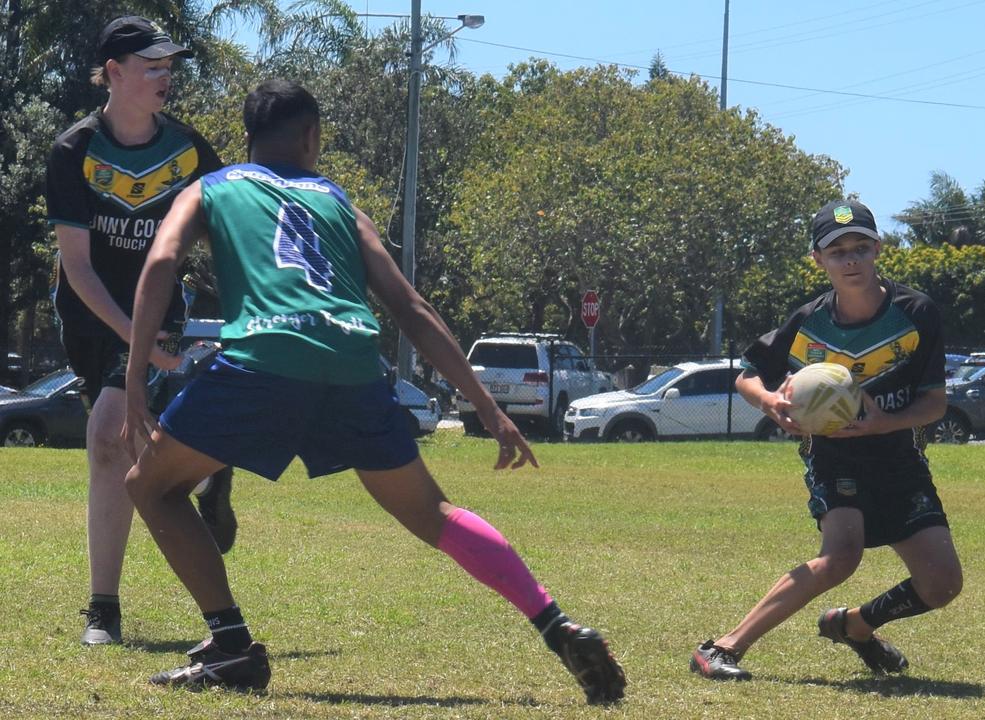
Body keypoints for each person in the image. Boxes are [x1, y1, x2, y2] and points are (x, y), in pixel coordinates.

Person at [119, 80, 626, 703]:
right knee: (433, 513)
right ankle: (555, 624)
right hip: (353, 366)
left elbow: (161, 264)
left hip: (264, 361)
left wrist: (135, 374)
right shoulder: (336, 200)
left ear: (246, 138)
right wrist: (488, 408)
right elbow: (411, 308)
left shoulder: (212, 188)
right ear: (311, 138)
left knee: (150, 483)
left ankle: (230, 645)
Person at [690, 199, 962, 680]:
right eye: (837, 252)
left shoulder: (916, 313)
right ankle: (722, 647)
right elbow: (747, 377)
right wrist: (771, 402)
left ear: (878, 249)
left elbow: (935, 403)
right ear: (818, 260)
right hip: (834, 454)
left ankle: (854, 625)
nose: (851, 259)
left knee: (942, 583)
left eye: (860, 247)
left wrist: (882, 423)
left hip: (898, 455)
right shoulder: (808, 323)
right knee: (841, 556)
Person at [45, 15, 234, 646]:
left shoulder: (188, 150)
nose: (165, 76)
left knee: (105, 436)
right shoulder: (74, 151)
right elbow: (77, 266)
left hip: (158, 308)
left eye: (169, 66)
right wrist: (131, 338)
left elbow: (234, 221)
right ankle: (207, 472)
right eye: (151, 66)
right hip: (89, 309)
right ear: (114, 74)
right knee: (124, 442)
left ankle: (102, 609)